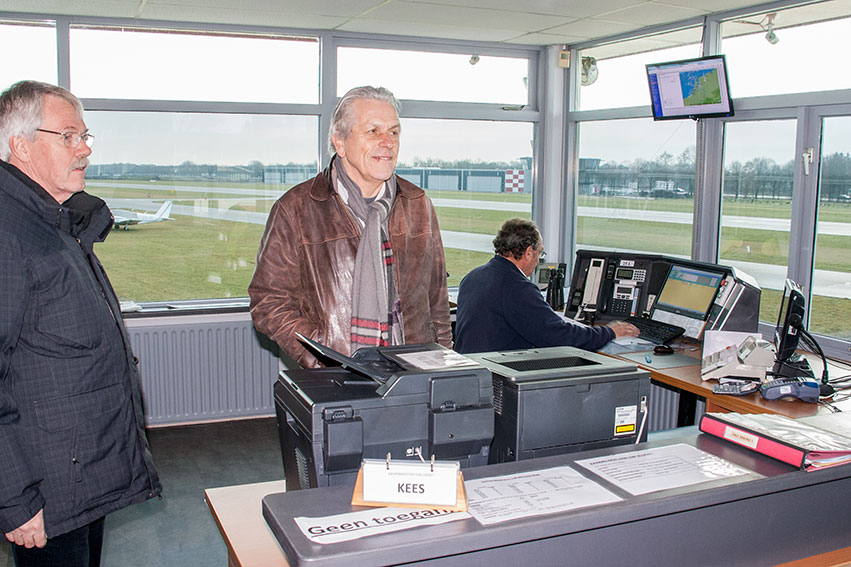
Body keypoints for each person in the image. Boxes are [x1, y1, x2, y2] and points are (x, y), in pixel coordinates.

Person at [0, 80, 161, 567]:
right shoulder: (8, 235)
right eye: (68, 135)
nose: (85, 148)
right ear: (20, 146)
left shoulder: (55, 223)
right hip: (42, 491)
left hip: (76, 477)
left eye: (86, 135)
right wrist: (14, 498)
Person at [249, 86, 451, 368]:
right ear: (340, 142)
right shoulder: (295, 209)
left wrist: (441, 366)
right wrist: (323, 355)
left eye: (393, 132)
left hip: (412, 374)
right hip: (337, 376)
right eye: (373, 131)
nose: (387, 142)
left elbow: (437, 300)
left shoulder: (417, 204)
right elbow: (268, 302)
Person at [454, 218, 639, 354]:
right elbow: (560, 337)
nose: (538, 260)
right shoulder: (517, 288)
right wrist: (610, 332)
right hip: (500, 379)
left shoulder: (473, 276)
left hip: (475, 371)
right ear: (528, 253)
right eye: (539, 253)